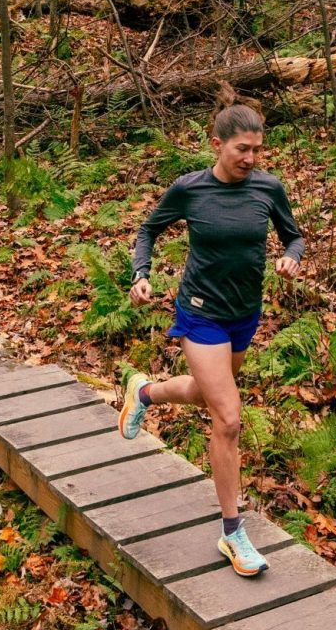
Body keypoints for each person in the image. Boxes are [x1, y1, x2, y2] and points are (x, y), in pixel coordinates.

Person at [118, 84, 305, 577]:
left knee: (206, 392)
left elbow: (294, 234)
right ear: (216, 143)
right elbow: (148, 230)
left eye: (257, 150)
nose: (250, 158)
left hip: (245, 311)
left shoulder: (268, 188)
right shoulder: (190, 188)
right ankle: (232, 534)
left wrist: (291, 257)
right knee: (228, 418)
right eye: (242, 148)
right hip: (199, 312)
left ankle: (146, 394)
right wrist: (141, 274)